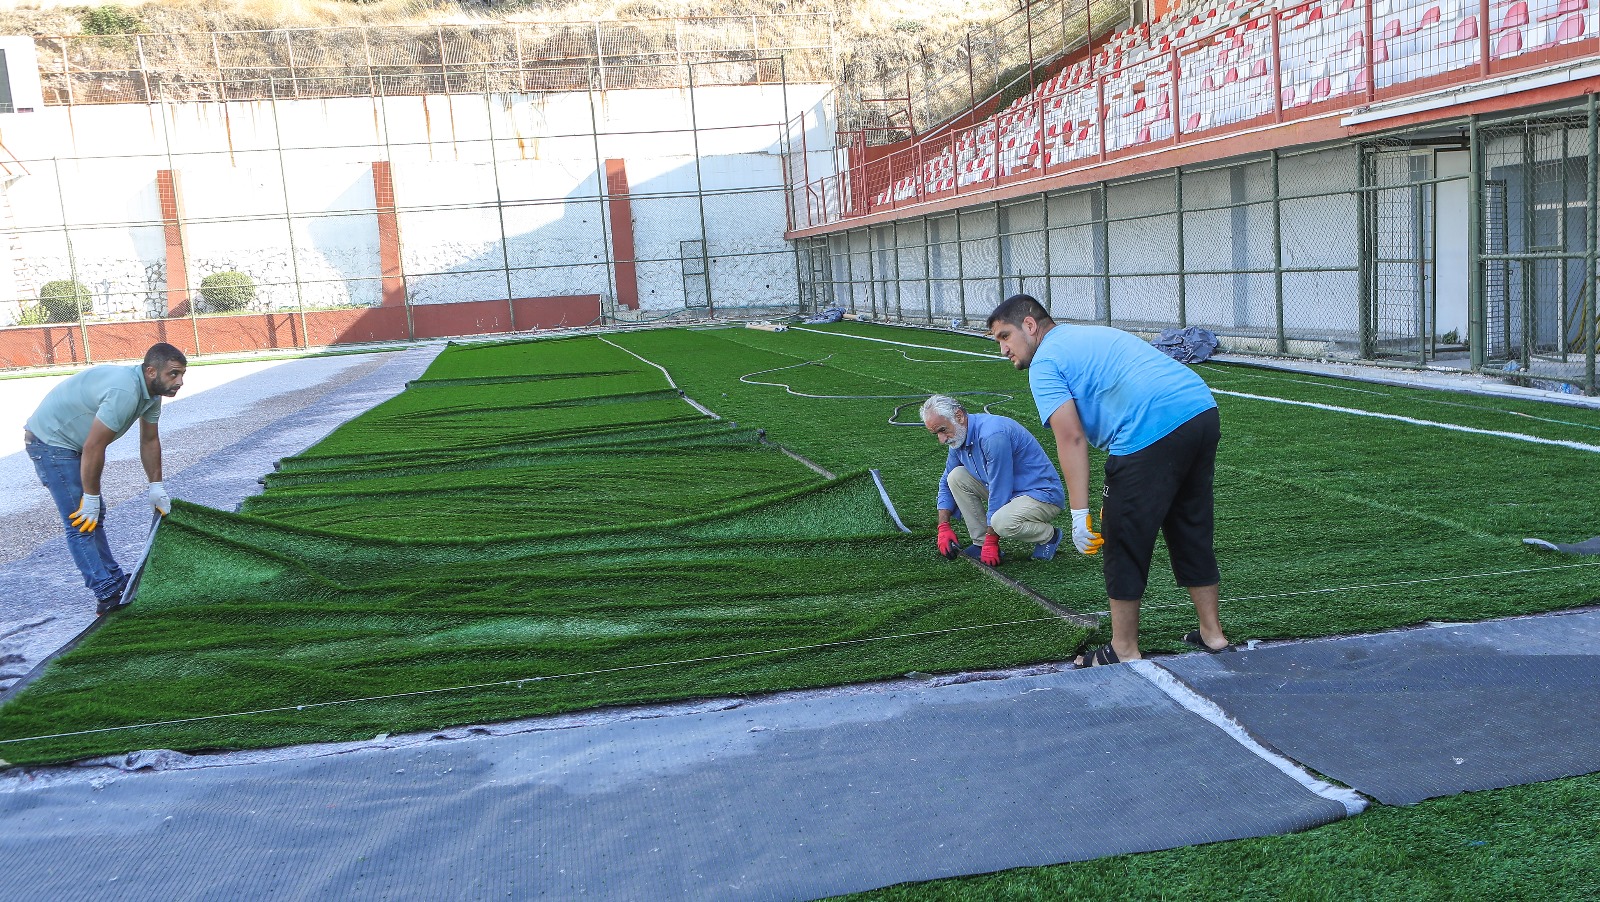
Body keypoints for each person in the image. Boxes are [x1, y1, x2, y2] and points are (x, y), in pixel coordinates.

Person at [985, 294, 1230, 666]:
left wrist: (1079, 513)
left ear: (1030, 326)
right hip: (1199, 410)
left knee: (1121, 536)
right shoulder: (1085, 335)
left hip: (1150, 428)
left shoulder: (1046, 361)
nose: (1003, 349)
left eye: (1005, 336)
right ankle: (1213, 634)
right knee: (1189, 525)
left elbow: (1071, 437)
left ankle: (1124, 648)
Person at [24, 342, 186, 616]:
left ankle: (113, 578)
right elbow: (94, 447)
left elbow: (149, 440)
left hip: (72, 443)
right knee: (81, 519)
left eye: (182, 374)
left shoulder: (152, 393)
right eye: (174, 374)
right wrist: (90, 497)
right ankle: (106, 591)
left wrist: (156, 486)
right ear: (150, 371)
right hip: (50, 442)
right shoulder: (124, 391)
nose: (180, 381)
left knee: (92, 514)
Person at [922, 394, 1066, 566]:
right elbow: (946, 479)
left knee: (1002, 523)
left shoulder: (992, 436)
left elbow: (1000, 487)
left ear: (959, 416)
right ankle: (979, 543)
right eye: (936, 433)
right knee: (956, 477)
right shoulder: (958, 437)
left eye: (942, 430)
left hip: (1041, 495)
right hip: (1012, 491)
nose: (941, 439)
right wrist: (943, 526)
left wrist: (992, 539)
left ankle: (1049, 536)